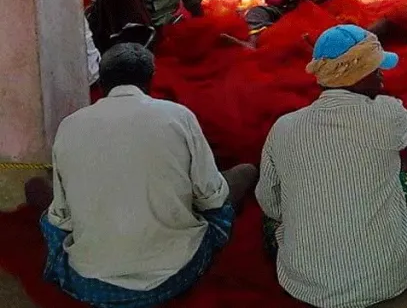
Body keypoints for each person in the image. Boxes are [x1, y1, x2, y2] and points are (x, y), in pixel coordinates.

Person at [39, 43, 258, 307]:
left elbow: (61, 219)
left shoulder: (69, 126)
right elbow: (212, 198)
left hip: (90, 282)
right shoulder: (178, 116)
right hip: (175, 274)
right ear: (150, 80)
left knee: (39, 194)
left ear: (102, 79)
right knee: (245, 173)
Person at [256, 25, 407, 308]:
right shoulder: (389, 114)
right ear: (358, 75)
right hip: (388, 277)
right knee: (404, 183)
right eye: (376, 69)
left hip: (305, 284)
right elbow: (404, 138)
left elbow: (269, 201)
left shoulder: (283, 127)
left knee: (273, 219)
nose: (382, 75)